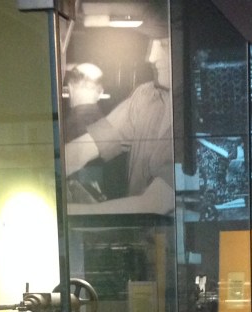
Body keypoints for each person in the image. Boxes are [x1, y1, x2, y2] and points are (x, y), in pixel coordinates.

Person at [64, 30, 174, 215]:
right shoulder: (145, 97)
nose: (151, 57)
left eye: (164, 44)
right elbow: (81, 150)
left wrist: (66, 213)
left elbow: (156, 204)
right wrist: (41, 172)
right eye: (151, 43)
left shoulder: (203, 114)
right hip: (137, 231)